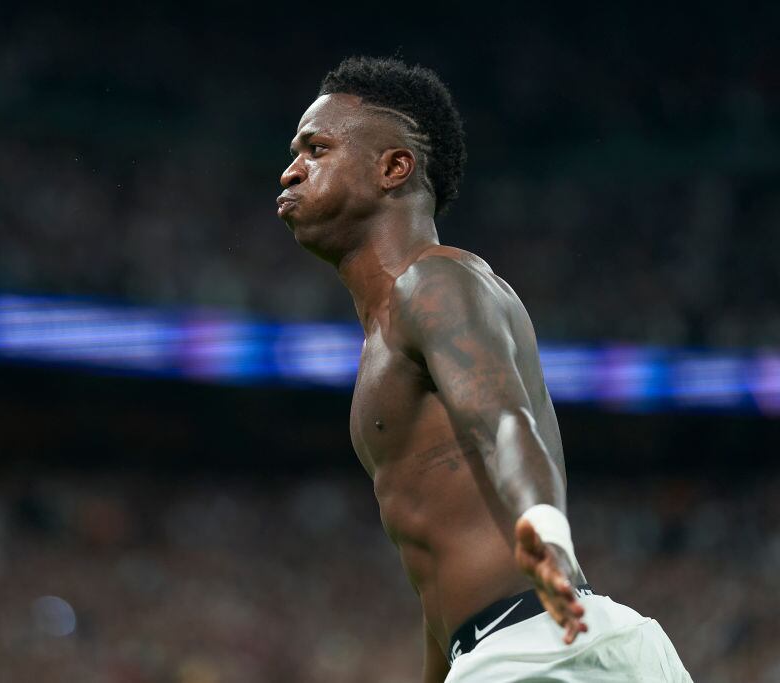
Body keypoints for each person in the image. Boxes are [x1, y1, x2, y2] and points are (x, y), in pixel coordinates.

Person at [277, 56, 691, 682]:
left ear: (394, 168)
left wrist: (546, 539)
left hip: (542, 645)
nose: (291, 169)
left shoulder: (434, 280)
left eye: (317, 148)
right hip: (521, 647)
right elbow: (435, 572)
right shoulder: (385, 335)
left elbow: (503, 422)